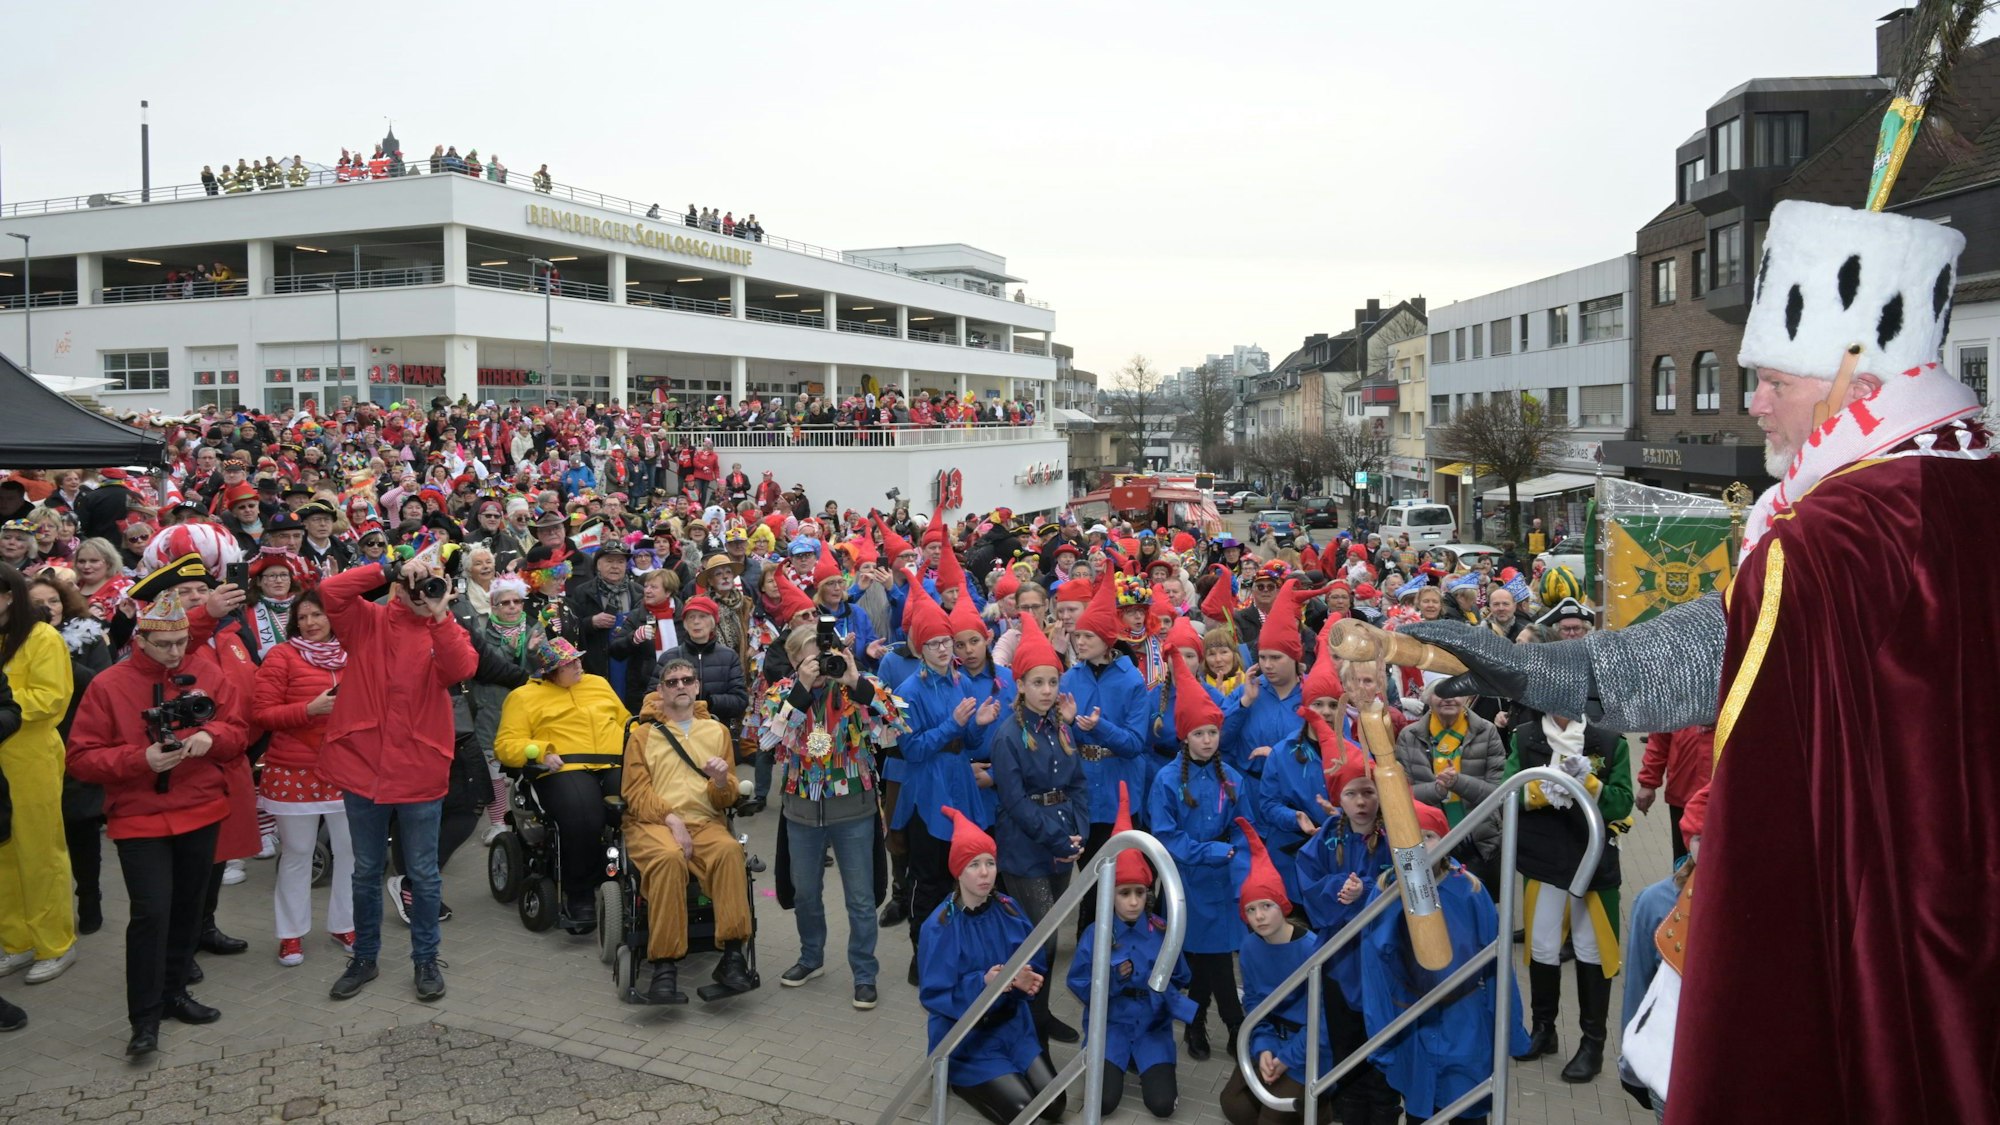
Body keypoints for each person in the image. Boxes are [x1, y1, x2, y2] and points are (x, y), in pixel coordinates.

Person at [66, 592, 252, 1057]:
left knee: (188, 910)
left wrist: (211, 735)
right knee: (151, 914)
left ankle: (174, 994)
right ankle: (144, 1019)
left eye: (182, 642)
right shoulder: (109, 684)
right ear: (142, 641)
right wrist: (140, 759)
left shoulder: (205, 672)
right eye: (165, 644)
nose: (175, 652)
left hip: (201, 809)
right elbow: (81, 758)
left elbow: (237, 730)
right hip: (139, 819)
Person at [315, 546, 479, 1004]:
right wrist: (387, 569)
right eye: (414, 585)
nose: (420, 593)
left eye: (430, 585)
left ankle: (426, 959)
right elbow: (330, 591)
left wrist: (440, 614)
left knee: (423, 874)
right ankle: (364, 958)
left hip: (418, 768)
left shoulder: (445, 628)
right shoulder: (366, 621)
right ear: (397, 587)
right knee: (366, 871)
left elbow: (461, 669)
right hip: (363, 765)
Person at [759, 620, 905, 1008]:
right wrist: (802, 691)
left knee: (860, 898)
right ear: (794, 661)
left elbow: (895, 724)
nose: (822, 667)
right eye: (812, 661)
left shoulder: (857, 687)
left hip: (853, 807)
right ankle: (811, 958)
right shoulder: (781, 692)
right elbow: (768, 739)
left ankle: (864, 973)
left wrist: (856, 680)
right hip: (801, 810)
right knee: (806, 893)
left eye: (826, 658)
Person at [1359, 801, 1528, 1125]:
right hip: (1411, 1026)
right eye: (1411, 837)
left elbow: (1498, 966)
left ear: (1447, 839)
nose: (1420, 846)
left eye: (1429, 836)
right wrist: (1381, 1035)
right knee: (1420, 1111)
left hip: (1464, 1023)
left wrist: (1509, 1028)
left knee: (1468, 1111)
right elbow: (1374, 972)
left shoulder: (1470, 891)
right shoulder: (1385, 894)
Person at [1503, 697, 1631, 1083]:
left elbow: (1622, 802)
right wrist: (1540, 790)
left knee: (1592, 950)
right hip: (1541, 859)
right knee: (1542, 947)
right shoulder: (1524, 736)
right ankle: (1544, 1030)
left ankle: (1593, 1044)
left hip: (1592, 862)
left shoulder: (1609, 741)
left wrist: (1589, 784)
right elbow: (1508, 792)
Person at [917, 805, 1066, 1125]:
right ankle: (955, 1076)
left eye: (990, 863)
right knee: (1024, 1112)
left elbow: (1035, 961)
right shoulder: (940, 927)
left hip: (1014, 1029)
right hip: (970, 1040)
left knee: (1055, 1106)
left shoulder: (1009, 909)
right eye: (974, 865)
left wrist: (1026, 978)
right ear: (958, 871)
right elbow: (934, 994)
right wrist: (983, 983)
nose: (985, 873)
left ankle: (1008, 1076)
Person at [622, 656, 754, 1004]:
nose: (680, 686)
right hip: (654, 822)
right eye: (672, 682)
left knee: (729, 851)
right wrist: (671, 820)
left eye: (687, 680)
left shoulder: (717, 732)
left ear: (697, 687)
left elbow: (725, 799)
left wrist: (722, 781)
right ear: (661, 691)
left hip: (705, 820)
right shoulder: (643, 735)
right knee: (669, 858)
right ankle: (664, 966)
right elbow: (635, 792)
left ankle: (732, 957)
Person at [985, 609, 1085, 1043]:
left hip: (1061, 841)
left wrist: (1078, 832)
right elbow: (1014, 801)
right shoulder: (1008, 735)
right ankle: (1028, 1019)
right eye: (1038, 682)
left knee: (1048, 931)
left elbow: (1078, 783)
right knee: (1039, 937)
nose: (1047, 691)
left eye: (1053, 682)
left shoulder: (1059, 728)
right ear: (1020, 685)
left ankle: (1036, 1014)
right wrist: (1058, 838)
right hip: (1026, 847)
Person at [891, 581, 1001, 975]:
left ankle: (957, 953)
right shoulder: (907, 691)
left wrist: (977, 725)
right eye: (934, 643)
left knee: (961, 877)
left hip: (960, 785)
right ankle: (922, 958)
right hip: (928, 791)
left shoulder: (960, 680)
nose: (943, 649)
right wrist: (953, 725)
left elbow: (968, 743)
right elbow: (912, 750)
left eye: (946, 642)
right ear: (919, 647)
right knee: (929, 879)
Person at [1067, 781, 1194, 1119]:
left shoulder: (1163, 931)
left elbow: (1182, 975)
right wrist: (1110, 979)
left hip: (1152, 1027)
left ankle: (1143, 1062)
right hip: (1111, 1026)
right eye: (1124, 893)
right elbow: (1077, 983)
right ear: (1110, 894)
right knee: (1103, 1103)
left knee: (1162, 1106)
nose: (1134, 901)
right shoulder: (1096, 934)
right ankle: (1118, 1063)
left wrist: (1164, 989)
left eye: (1139, 892)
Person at [1149, 649, 1250, 1062]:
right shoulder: (1166, 780)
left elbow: (1245, 826)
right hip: (1186, 880)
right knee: (1199, 959)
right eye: (1199, 734)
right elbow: (1165, 836)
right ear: (1184, 737)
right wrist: (1213, 851)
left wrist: (1238, 858)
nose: (1207, 740)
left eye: (1212, 732)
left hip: (1222, 881)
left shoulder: (1233, 778)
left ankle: (1203, 1024)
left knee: (1217, 955)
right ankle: (1228, 1023)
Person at [494, 636, 629, 930]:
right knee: (585, 815)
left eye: (578, 659)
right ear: (551, 672)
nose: (579, 665)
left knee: (640, 805)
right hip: (564, 766)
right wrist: (540, 751)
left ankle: (638, 879)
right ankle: (579, 891)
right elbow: (505, 744)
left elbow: (625, 722)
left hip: (614, 761)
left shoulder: (598, 684)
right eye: (570, 663)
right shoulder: (523, 697)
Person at [249, 590, 354, 967]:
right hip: (294, 770)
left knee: (351, 852)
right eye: (303, 616)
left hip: (347, 767)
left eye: (317, 615)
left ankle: (346, 924)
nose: (310, 623)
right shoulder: (281, 656)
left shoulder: (353, 653)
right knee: (297, 854)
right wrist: (309, 709)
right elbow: (262, 713)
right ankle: (290, 934)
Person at [1219, 818, 1336, 1125]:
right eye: (1251, 909)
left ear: (1282, 906)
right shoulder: (1249, 947)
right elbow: (1254, 1003)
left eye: (1266, 906)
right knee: (1234, 1106)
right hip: (1272, 1037)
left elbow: (1326, 1020)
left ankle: (1321, 1107)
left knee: (1271, 1117)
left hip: (1309, 1046)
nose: (1259, 916)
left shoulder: (1312, 950)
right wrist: (1264, 1048)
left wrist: (1287, 1059)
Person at [0, 564, 77, 985]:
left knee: (39, 852)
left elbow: (50, 697)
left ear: (9, 595)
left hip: (30, 756)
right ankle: (16, 941)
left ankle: (55, 944)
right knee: (4, 853)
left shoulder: (41, 637)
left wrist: (6, 705)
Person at [1394, 683, 1506, 894]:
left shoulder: (1487, 731)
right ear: (1428, 698)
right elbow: (1402, 795)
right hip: (1427, 840)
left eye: (1455, 692)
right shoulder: (1408, 736)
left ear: (1466, 697)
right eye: (1440, 693)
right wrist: (1438, 790)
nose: (1448, 698)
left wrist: (1457, 783)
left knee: (1479, 903)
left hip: (1479, 840)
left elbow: (1498, 792)